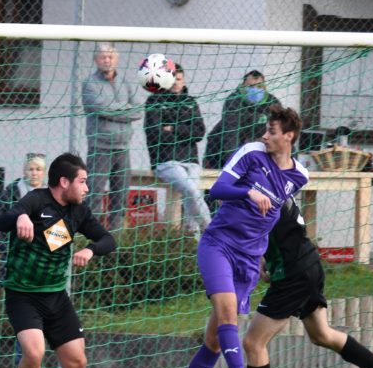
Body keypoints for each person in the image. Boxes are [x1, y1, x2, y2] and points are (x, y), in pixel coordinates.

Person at [164, 105, 309, 368]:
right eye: (265, 130)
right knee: (228, 312)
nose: (265, 136)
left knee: (214, 340)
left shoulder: (300, 175)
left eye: (272, 131)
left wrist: (264, 257)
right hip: (219, 245)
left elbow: (272, 219)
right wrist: (248, 190)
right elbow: (216, 190)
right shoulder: (250, 154)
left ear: (289, 136)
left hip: (249, 259)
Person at [209, 197, 373, 368]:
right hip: (308, 264)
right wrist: (263, 258)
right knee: (322, 334)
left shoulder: (258, 191)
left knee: (253, 342)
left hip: (293, 275)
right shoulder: (274, 187)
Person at [0, 153, 116, 368]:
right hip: (23, 295)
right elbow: (2, 221)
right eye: (82, 182)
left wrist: (91, 250)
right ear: (64, 182)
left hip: (56, 298)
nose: (87, 188)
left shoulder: (79, 212)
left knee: (76, 362)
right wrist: (21, 216)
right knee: (34, 354)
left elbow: (107, 240)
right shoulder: (37, 200)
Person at [0, 153, 54, 368]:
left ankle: (33, 367)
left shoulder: (52, 196)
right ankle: (25, 367)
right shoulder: (12, 193)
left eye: (38, 169)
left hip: (44, 268)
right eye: (30, 169)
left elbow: (61, 231)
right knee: (25, 318)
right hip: (17, 267)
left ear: (44, 172)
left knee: (42, 318)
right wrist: (8, 253)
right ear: (23, 170)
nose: (34, 173)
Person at [82, 42, 142, 231]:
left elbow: (139, 110)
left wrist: (113, 109)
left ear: (116, 58)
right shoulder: (90, 84)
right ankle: (90, 235)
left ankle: (116, 240)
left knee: (120, 196)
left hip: (123, 147)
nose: (107, 60)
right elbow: (101, 109)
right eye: (103, 57)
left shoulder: (125, 82)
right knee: (94, 195)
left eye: (110, 56)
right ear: (96, 60)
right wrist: (124, 109)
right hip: (100, 147)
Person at [144, 64, 210, 236]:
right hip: (165, 160)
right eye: (172, 79)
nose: (175, 83)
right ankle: (210, 229)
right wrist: (184, 130)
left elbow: (199, 132)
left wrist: (172, 129)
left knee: (193, 196)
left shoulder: (190, 102)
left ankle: (192, 237)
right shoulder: (154, 101)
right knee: (192, 191)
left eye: (179, 79)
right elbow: (156, 134)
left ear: (184, 80)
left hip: (191, 160)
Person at [204, 69, 281, 170]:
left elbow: (280, 132)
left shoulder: (272, 103)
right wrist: (236, 164)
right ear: (243, 86)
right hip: (221, 153)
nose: (255, 90)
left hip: (257, 147)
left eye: (259, 86)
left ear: (265, 88)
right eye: (251, 86)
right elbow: (231, 136)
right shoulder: (233, 101)